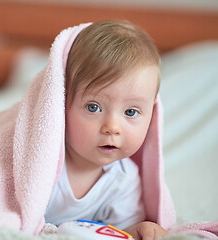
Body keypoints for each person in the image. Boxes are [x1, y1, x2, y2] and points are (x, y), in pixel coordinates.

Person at [44, 20, 168, 239]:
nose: (112, 127)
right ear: (60, 102)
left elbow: (117, 232)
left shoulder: (123, 180)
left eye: (130, 112)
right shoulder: (41, 161)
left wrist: (138, 231)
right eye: (93, 107)